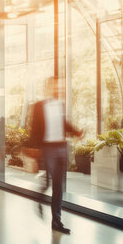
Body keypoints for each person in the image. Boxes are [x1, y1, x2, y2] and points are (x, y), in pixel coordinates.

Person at [30, 76, 82, 234]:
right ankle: (39, 197)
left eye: (59, 87)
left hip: (61, 146)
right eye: (54, 86)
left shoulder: (61, 104)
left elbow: (64, 123)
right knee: (49, 182)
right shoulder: (39, 106)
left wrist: (76, 131)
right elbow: (34, 129)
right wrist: (34, 151)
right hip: (48, 148)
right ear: (47, 87)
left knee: (58, 185)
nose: (57, 89)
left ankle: (56, 221)